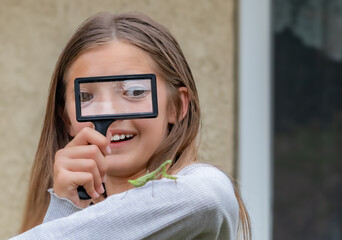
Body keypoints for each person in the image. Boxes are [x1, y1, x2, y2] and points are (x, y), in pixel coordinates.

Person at [13, 12, 250, 239]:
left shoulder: (204, 188)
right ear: (66, 118)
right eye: (87, 97)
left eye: (135, 92)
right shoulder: (55, 210)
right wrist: (65, 207)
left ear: (176, 107)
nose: (111, 114)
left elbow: (206, 197)